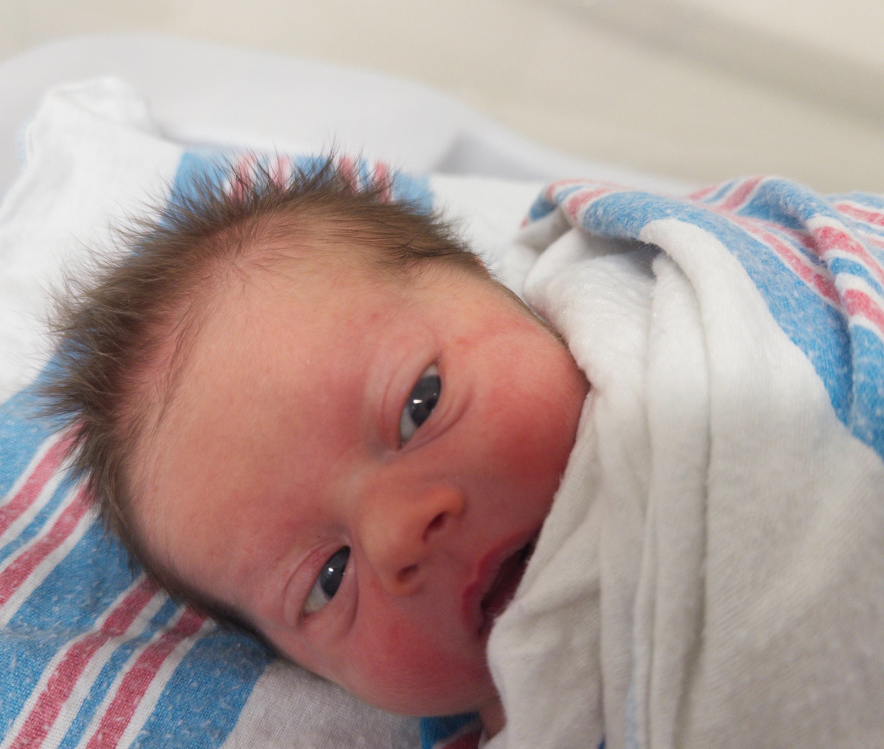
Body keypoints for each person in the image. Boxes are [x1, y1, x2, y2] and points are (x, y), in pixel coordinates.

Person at [41, 158, 587, 738]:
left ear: (501, 292)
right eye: (328, 577)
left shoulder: (660, 330)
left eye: (419, 407)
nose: (396, 533)